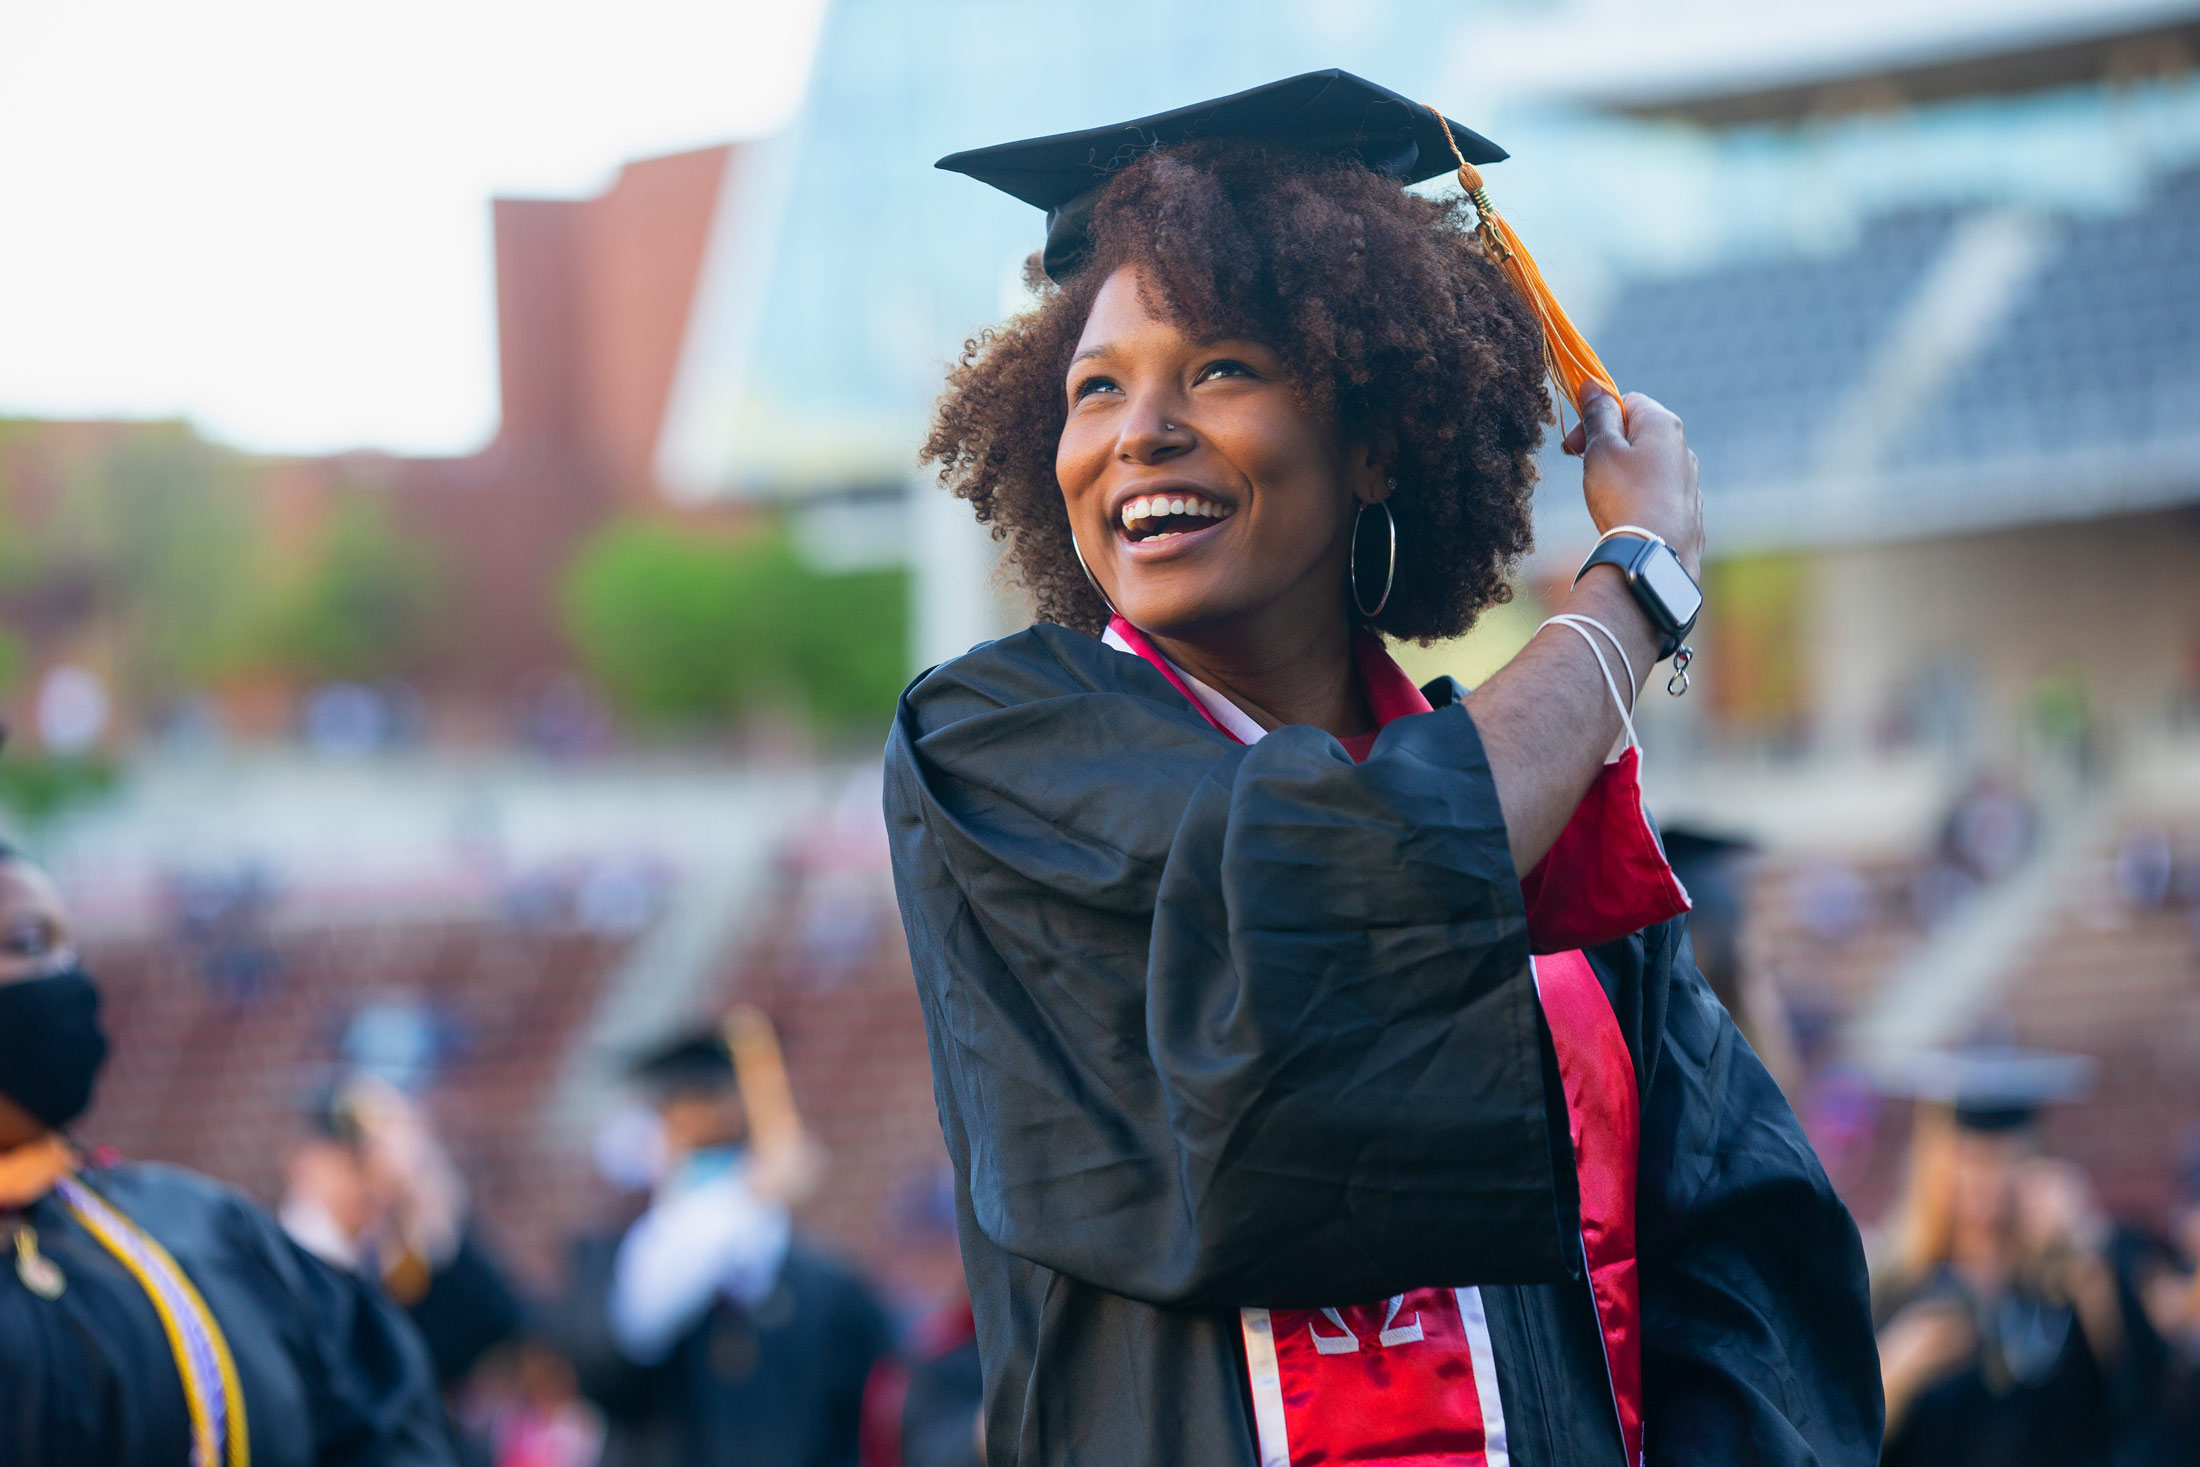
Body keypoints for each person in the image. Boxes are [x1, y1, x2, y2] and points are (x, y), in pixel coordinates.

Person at [888, 70, 1881, 1465]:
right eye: (1094, 387)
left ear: (1372, 431)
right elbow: (1322, 918)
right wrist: (1628, 589)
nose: (1138, 432)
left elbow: (1748, 1269)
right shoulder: (996, 751)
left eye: (1218, 367)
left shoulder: (1561, 864)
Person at [0, 838, 456, 1465]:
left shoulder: (207, 1230)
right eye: (27, 945)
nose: (65, 978)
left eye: (63, 945)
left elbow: (390, 1420)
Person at [558, 1009, 891, 1467]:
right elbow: (613, 1358)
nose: (691, 1127)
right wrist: (746, 1199)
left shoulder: (830, 1288)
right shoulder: (615, 1265)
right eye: (674, 1111)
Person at [1874, 1046, 2169, 1466]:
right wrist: (1898, 1371)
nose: (1984, 1183)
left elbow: (2136, 1396)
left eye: (2001, 1161)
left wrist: (2083, 1251)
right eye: (1969, 1161)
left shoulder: (2069, 1273)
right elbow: (1849, 1435)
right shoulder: (1898, 1287)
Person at [280, 1074, 529, 1392]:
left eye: (375, 1161)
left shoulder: (392, 1257)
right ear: (300, 1162)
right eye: (352, 1161)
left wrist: (428, 1220)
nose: (370, 1179)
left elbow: (497, 1323)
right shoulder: (287, 1264)